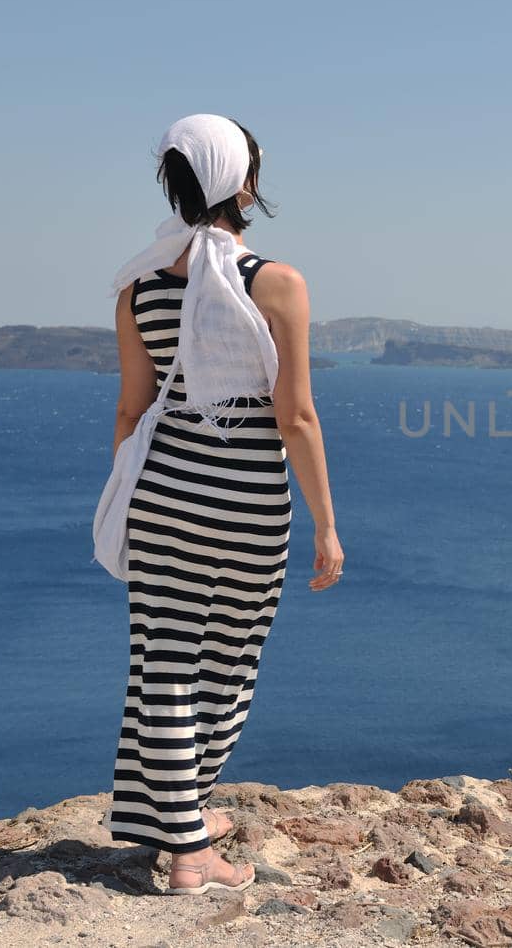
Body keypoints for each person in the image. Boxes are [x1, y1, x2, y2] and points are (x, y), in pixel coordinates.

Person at [101, 114, 344, 894]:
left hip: (162, 489)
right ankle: (189, 852)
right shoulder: (276, 283)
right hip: (246, 499)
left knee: (163, 661)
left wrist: (141, 504)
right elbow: (295, 415)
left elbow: (131, 413)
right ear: (243, 184)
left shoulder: (137, 289)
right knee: (231, 659)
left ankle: (181, 817)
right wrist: (327, 525)